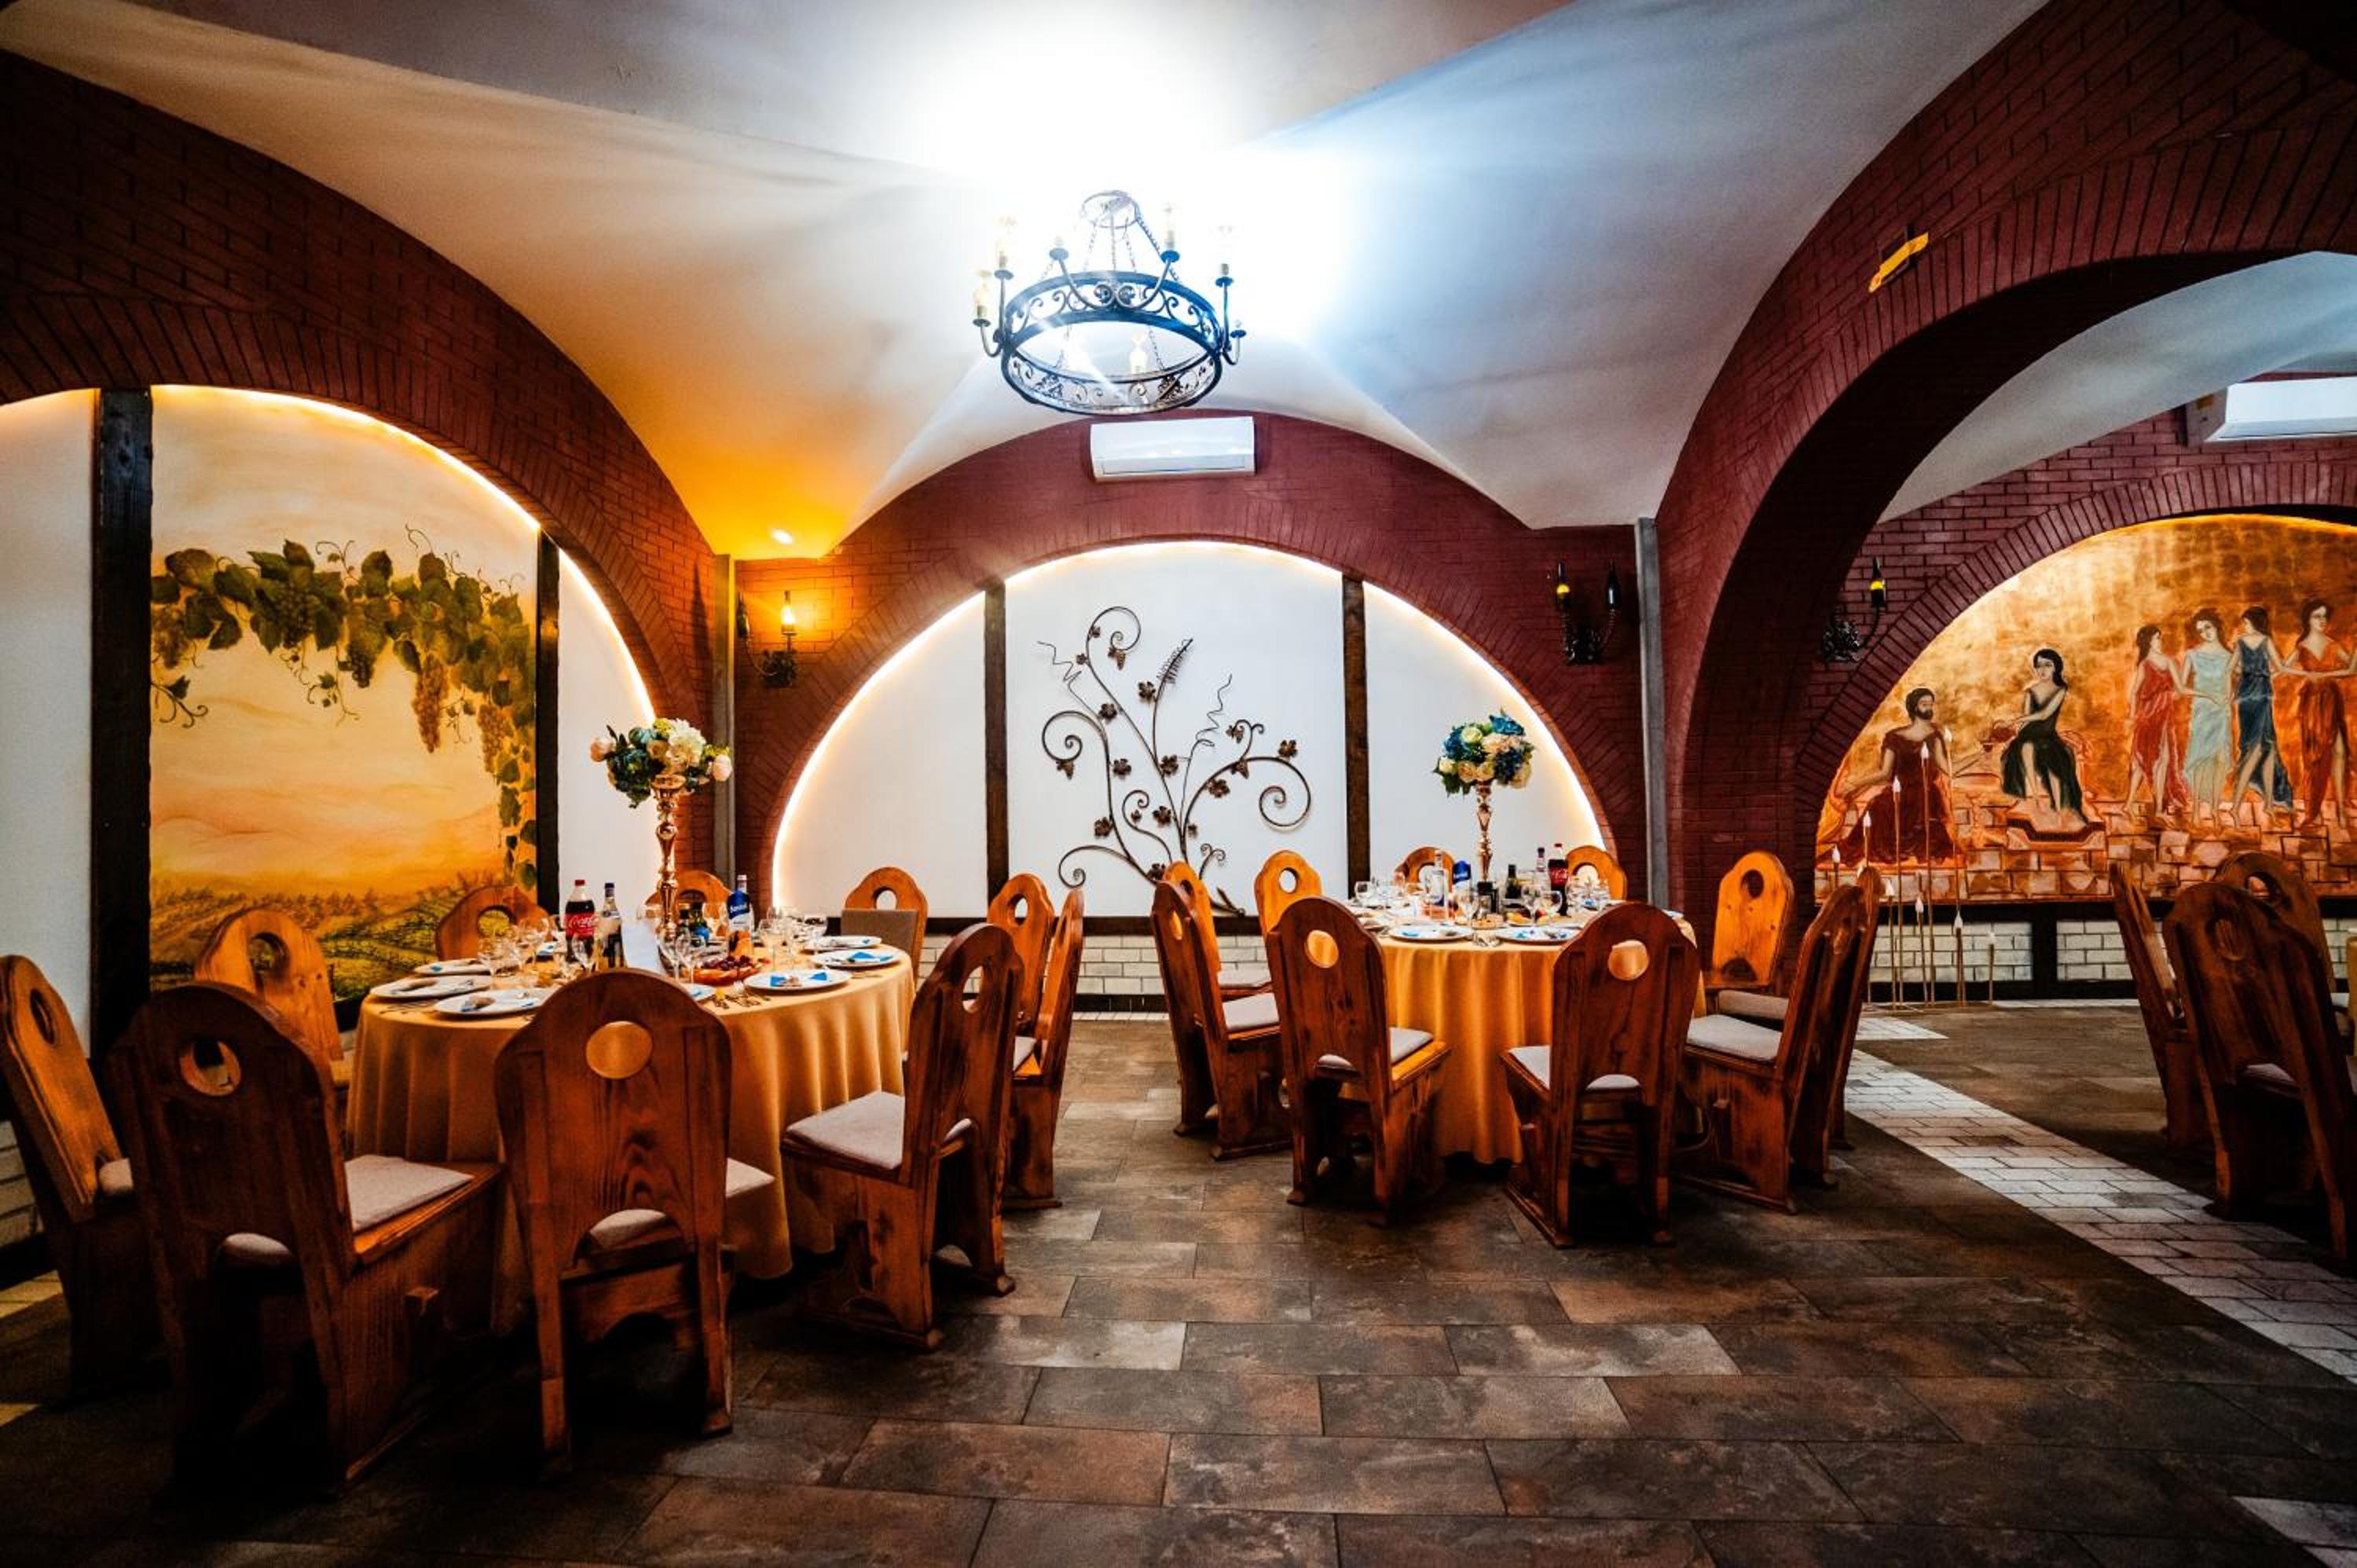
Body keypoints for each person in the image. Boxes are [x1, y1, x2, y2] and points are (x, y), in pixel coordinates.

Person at [1837, 686, 1955, 863]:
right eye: (1924, 704)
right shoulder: (1894, 737)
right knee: (1877, 807)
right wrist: (1855, 783)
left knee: (1930, 835)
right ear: (1914, 707)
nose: (1929, 708)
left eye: (1931, 704)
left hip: (1925, 797)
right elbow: (1885, 773)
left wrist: (1979, 757)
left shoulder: (1935, 737)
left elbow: (1949, 770)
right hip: (1900, 794)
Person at [2282, 597, 2355, 830]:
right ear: (2308, 619)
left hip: (2332, 700)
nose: (2322, 620)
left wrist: (2326, 675)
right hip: (2313, 703)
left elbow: (2352, 668)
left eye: (2325, 616)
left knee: (2340, 751)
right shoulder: (2302, 646)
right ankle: (2313, 810)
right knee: (2315, 756)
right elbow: (2283, 666)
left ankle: (2341, 811)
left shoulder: (2332, 644)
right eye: (2317, 616)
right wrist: (2307, 676)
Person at [1999, 647, 2085, 826]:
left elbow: (2045, 714)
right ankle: (2036, 799)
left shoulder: (2060, 689)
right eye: (2039, 666)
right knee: (2025, 747)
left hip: (2047, 735)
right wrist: (2014, 734)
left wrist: (2016, 720)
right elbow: (2026, 720)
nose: (2043, 670)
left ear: (2056, 667)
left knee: (2055, 760)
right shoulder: (2030, 691)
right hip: (2028, 734)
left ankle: (2059, 808)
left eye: (2048, 665)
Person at [2229, 606, 2293, 824]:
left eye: (2246, 623)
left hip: (2246, 699)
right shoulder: (2266, 641)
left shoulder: (2241, 642)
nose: (2244, 627)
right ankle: (2235, 806)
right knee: (2257, 751)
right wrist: (2265, 675)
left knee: (2268, 750)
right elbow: (2281, 667)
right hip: (2262, 698)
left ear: (2253, 622)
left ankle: (2268, 805)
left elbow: (2231, 669)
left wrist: (2247, 674)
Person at [2126, 624, 2190, 819]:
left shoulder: (2169, 661)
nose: (2160, 641)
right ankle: (2131, 804)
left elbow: (2179, 690)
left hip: (2163, 717)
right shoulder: (2145, 665)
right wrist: (2133, 716)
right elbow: (2134, 692)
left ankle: (2159, 808)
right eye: (2156, 638)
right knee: (2141, 760)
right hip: (2148, 718)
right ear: (2148, 641)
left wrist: (2168, 697)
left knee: (2162, 761)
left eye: (2159, 638)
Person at [2180, 608, 2234, 826]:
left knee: (2219, 760)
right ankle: (2195, 809)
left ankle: (2213, 808)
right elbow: (2182, 687)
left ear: (2217, 627)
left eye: (2208, 628)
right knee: (2201, 758)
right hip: (2203, 710)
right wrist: (2209, 695)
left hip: (2222, 712)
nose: (2205, 633)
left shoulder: (2229, 656)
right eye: (2201, 631)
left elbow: (2231, 685)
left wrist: (2229, 698)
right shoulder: (2193, 655)